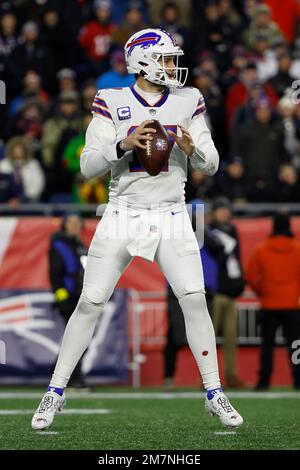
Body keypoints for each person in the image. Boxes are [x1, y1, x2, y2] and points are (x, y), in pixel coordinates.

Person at [32, 28, 243, 430]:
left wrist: (192, 150)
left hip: (173, 212)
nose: (172, 67)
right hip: (123, 210)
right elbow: (88, 164)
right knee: (90, 301)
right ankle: (55, 391)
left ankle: (214, 392)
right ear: (142, 60)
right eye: (165, 58)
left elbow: (211, 163)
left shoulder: (189, 99)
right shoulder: (111, 100)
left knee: (194, 298)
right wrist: (124, 144)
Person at [245, 213, 300, 390]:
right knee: (295, 345)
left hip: (269, 303)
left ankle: (264, 381)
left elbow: (251, 275)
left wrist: (262, 291)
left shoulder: (262, 249)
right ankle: (298, 380)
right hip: (292, 304)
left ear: (273, 227)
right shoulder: (298, 249)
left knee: (267, 345)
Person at [210, 197, 245, 388]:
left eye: (226, 209)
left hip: (230, 292)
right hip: (216, 292)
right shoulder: (208, 233)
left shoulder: (232, 230)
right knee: (208, 337)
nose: (224, 213)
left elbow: (236, 260)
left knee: (231, 337)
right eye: (220, 209)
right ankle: (207, 378)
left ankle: (231, 374)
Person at [49, 213, 87, 388]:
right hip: (69, 298)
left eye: (77, 222)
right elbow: (55, 274)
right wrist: (62, 297)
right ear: (64, 225)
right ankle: (73, 379)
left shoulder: (80, 245)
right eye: (71, 222)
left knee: (78, 340)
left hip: (81, 296)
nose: (75, 226)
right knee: (75, 340)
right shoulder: (59, 245)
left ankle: (64, 376)